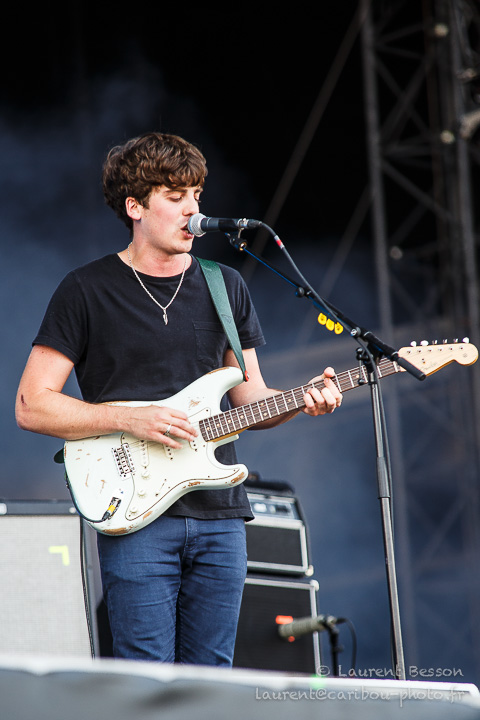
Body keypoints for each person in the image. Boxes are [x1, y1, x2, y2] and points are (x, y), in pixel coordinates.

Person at [15, 131, 342, 666]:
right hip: (136, 514)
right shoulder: (86, 290)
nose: (193, 210)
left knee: (213, 678)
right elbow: (32, 404)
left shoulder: (225, 286)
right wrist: (131, 419)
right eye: (174, 196)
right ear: (135, 207)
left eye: (196, 195)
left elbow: (250, 397)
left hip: (220, 516)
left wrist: (304, 399)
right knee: (146, 678)